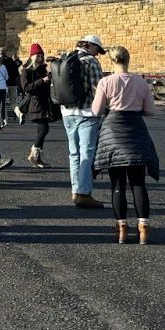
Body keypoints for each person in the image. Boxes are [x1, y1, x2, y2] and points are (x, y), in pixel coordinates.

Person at [91, 45, 161, 245]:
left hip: (113, 132)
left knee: (117, 184)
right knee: (138, 183)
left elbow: (97, 111)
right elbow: (150, 111)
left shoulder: (106, 82)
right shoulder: (141, 82)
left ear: (112, 62)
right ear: (128, 60)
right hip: (136, 131)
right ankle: (143, 228)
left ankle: (122, 229)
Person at [56, 35, 107, 207]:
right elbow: (97, 89)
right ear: (90, 46)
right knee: (87, 153)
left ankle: (75, 190)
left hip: (67, 112)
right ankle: (84, 193)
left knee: (74, 154)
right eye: (97, 50)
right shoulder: (91, 62)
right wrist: (104, 110)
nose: (98, 54)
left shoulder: (67, 57)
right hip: (87, 113)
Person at [18, 43, 55, 168]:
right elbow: (26, 88)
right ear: (32, 56)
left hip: (45, 103)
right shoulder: (26, 71)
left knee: (42, 129)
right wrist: (42, 81)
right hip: (35, 103)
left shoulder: (43, 69)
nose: (39, 58)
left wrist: (49, 79)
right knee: (44, 129)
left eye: (41, 55)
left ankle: (38, 157)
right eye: (37, 55)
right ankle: (34, 151)